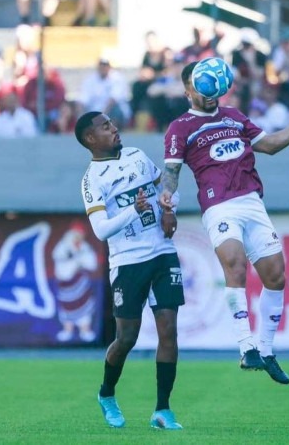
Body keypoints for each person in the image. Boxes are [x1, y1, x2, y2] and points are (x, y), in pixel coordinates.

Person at [159, 61, 289, 385]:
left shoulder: (234, 116)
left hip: (252, 202)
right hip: (219, 206)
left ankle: (266, 350)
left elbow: (271, 145)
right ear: (188, 91)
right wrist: (167, 199)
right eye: (199, 88)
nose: (208, 95)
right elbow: (171, 173)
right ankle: (245, 345)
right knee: (236, 266)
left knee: (276, 276)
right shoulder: (179, 128)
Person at [75, 111, 184, 430]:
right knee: (126, 338)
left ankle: (162, 410)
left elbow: (167, 185)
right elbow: (100, 230)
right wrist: (133, 212)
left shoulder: (137, 155)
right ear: (90, 139)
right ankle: (106, 393)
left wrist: (168, 209)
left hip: (163, 253)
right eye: (105, 127)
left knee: (168, 331)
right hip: (127, 261)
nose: (114, 129)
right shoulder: (91, 179)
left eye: (112, 124)